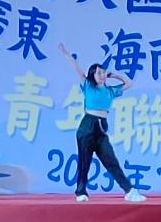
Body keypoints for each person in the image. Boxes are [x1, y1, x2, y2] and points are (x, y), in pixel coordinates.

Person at [57, 43, 146, 202]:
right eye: (99, 73)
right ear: (93, 75)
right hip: (88, 124)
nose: (102, 75)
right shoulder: (88, 86)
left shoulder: (110, 91)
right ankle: (81, 192)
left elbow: (129, 84)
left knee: (111, 160)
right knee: (85, 161)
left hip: (101, 127)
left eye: (103, 72)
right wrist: (66, 54)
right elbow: (77, 68)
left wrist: (113, 75)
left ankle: (129, 190)